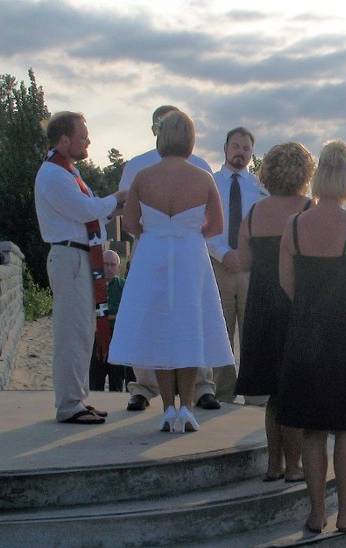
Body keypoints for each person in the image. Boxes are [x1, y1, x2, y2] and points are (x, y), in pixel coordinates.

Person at [277, 140, 346, 533]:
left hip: (305, 333)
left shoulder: (294, 225)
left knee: (312, 428)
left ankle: (316, 512)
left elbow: (287, 283)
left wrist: (312, 313)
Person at [109, 110, 233, 433]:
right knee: (190, 326)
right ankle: (188, 408)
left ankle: (166, 408)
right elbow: (217, 225)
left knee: (160, 328)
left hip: (153, 254)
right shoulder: (203, 177)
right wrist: (189, 231)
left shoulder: (143, 177)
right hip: (191, 254)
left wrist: (159, 231)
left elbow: (132, 224)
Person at [34, 111, 127, 424]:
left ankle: (77, 398)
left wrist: (110, 208)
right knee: (73, 333)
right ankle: (69, 404)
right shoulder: (54, 175)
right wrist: (116, 198)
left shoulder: (67, 173)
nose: (88, 141)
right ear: (64, 139)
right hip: (71, 257)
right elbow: (86, 210)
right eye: (83, 136)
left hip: (80, 258)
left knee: (83, 331)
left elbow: (92, 214)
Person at [234, 142, 314, 481]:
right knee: (294, 390)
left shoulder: (253, 213)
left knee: (272, 394)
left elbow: (243, 262)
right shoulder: (310, 209)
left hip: (262, 304)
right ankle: (295, 465)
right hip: (297, 304)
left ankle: (273, 464)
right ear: (305, 173)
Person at [206, 127, 267, 404]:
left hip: (250, 269)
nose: (240, 152)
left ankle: (255, 397)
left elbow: (264, 230)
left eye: (246, 148)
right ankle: (223, 394)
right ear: (226, 148)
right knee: (221, 333)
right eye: (236, 146)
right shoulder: (211, 183)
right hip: (217, 266)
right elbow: (202, 226)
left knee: (253, 334)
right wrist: (222, 254)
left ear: (251, 154)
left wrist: (247, 256)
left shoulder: (259, 188)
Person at [88, 250, 131, 392]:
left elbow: (127, 312)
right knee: (95, 380)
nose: (109, 268)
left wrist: (106, 315)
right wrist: (111, 314)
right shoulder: (91, 286)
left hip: (117, 337)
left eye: (113, 265)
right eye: (105, 264)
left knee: (117, 380)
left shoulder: (124, 286)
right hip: (96, 336)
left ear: (118, 268)